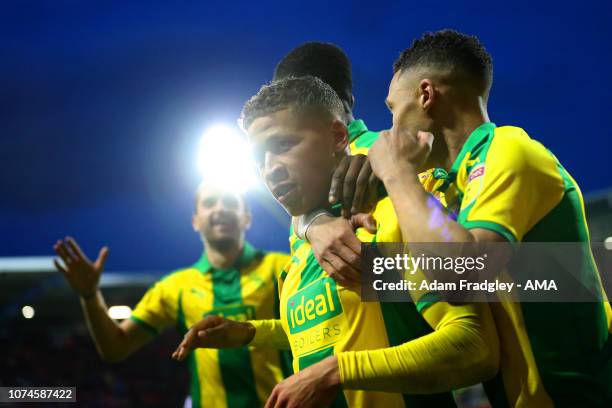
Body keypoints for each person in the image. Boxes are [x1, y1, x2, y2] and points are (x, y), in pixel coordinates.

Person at [173, 76, 500, 407]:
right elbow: (334, 329)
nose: (270, 169)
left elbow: (475, 345)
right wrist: (252, 333)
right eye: (259, 159)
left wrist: (334, 372)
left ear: (338, 136)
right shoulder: (301, 247)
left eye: (283, 145)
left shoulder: (391, 215)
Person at [365, 29, 612, 407]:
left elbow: (460, 275)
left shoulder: (509, 149)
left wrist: (397, 173)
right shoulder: (443, 185)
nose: (391, 126)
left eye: (392, 109)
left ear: (426, 95)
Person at [53, 184, 291, 408]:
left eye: (230, 202)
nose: (220, 208)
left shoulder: (283, 268)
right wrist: (90, 296)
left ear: (247, 217)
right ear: (195, 221)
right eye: (209, 203)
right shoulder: (175, 287)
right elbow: (115, 347)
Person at [273, 41, 381, 286]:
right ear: (350, 100)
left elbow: (468, 278)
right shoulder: (298, 202)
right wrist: (257, 327)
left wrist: (372, 274)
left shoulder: (392, 156)